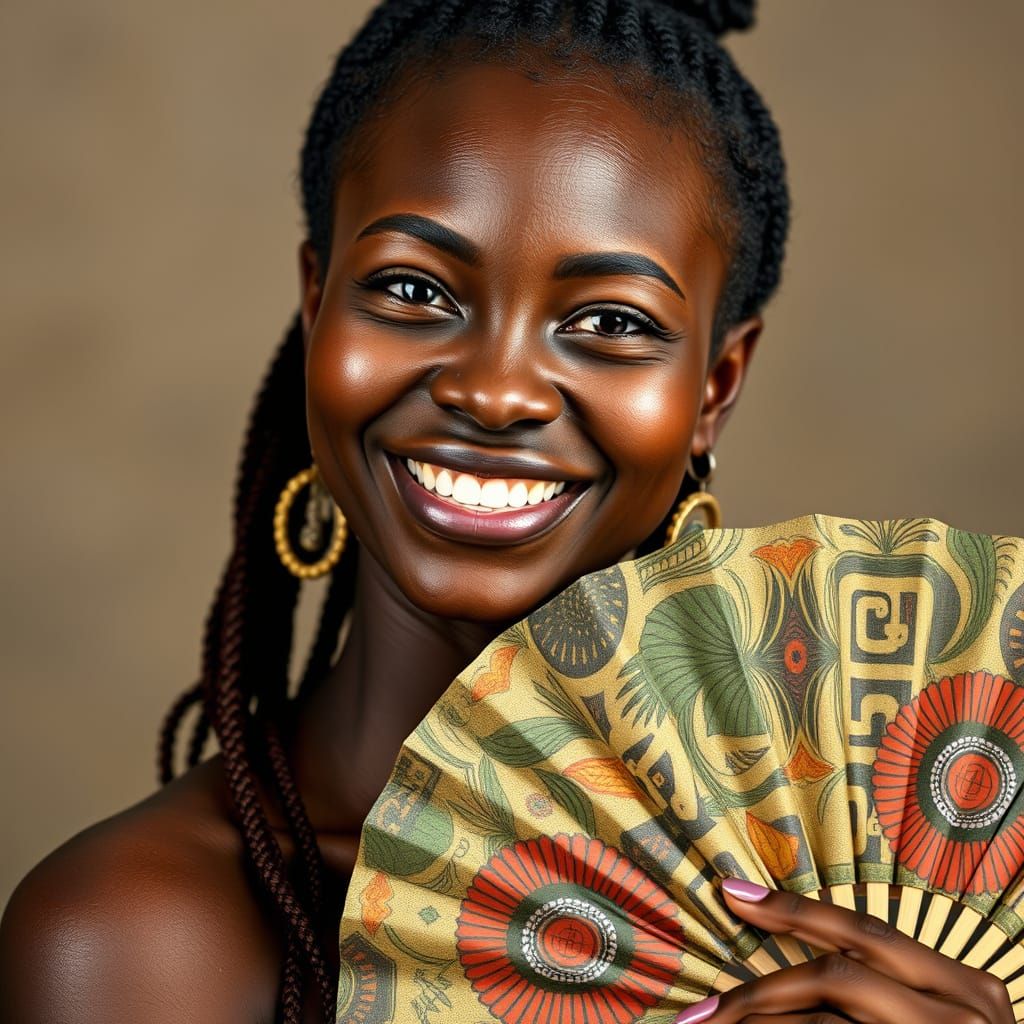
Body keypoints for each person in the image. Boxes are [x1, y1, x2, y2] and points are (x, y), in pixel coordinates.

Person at [0, 0, 1014, 1022]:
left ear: (715, 386)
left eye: (609, 320)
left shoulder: (886, 892)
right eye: (413, 291)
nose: (494, 392)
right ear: (316, 305)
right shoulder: (138, 937)